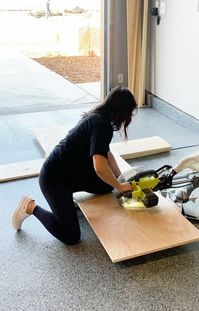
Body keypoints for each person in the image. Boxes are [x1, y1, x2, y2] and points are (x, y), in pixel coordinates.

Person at [12, 86, 137, 245]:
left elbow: (107, 153)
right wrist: (119, 186)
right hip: (54, 180)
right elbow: (99, 167)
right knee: (71, 236)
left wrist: (119, 179)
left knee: (107, 185)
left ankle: (67, 203)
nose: (129, 118)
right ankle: (30, 207)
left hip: (71, 174)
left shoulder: (97, 116)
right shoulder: (102, 126)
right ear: (122, 112)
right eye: (130, 113)